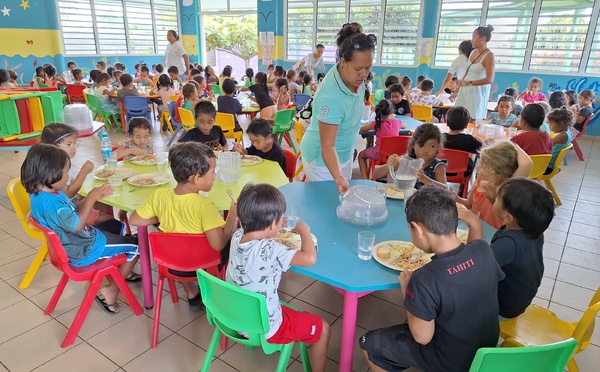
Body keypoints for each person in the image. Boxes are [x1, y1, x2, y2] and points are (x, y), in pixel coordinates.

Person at [360, 185, 504, 372]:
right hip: (486, 349)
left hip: (453, 361)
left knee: (369, 345)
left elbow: (422, 337)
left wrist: (408, 294)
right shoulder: (483, 250)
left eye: (410, 229)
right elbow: (470, 253)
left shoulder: (423, 278)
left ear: (419, 229)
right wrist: (474, 223)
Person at [23, 144, 139, 314]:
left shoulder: (44, 193)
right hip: (83, 248)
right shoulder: (53, 205)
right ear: (50, 173)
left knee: (117, 225)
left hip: (73, 243)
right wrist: (91, 199)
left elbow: (73, 210)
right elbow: (76, 225)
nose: (68, 176)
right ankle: (112, 289)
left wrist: (93, 196)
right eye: (65, 172)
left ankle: (119, 267)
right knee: (137, 245)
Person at [227, 183, 330, 372]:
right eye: (281, 218)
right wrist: (303, 230)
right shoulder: (271, 250)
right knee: (323, 328)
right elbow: (309, 258)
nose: (284, 221)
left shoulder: (237, 236)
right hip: (267, 327)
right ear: (272, 223)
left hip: (235, 317)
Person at [130, 142, 238, 311]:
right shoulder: (204, 205)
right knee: (234, 239)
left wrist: (165, 213)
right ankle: (218, 291)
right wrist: (232, 216)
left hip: (172, 266)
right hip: (203, 266)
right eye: (213, 171)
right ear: (196, 178)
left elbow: (135, 220)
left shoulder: (159, 196)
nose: (215, 175)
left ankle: (190, 291)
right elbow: (218, 244)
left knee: (176, 245)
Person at [299, 23, 375, 193]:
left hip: (344, 154)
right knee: (326, 207)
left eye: (368, 67)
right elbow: (327, 147)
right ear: (343, 62)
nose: (364, 74)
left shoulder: (354, 78)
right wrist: (338, 175)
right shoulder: (331, 98)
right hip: (322, 161)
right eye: (358, 69)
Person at [486, 178, 554, 319]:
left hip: (504, 307)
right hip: (520, 297)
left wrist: (474, 224)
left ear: (508, 217)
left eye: (498, 198)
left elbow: (476, 268)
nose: (495, 198)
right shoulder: (533, 230)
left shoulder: (508, 244)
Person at [456, 141, 530, 229]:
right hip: (475, 229)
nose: (476, 167)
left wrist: (514, 145)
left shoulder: (504, 189)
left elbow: (527, 164)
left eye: (483, 166)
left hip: (493, 234)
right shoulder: (479, 182)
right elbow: (469, 204)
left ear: (498, 175)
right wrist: (456, 198)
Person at [373, 124, 447, 189]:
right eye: (422, 145)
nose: (426, 150)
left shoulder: (438, 166)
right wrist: (388, 166)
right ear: (414, 145)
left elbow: (445, 189)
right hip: (403, 198)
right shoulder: (407, 160)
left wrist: (425, 179)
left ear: (438, 147)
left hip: (427, 203)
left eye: (432, 146)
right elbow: (376, 174)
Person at [455, 25, 496, 120]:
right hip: (465, 90)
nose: (471, 40)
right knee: (459, 116)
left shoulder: (489, 55)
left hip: (477, 92)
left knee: (472, 118)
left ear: (483, 39)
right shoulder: (473, 52)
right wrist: (460, 85)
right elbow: (467, 71)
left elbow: (490, 79)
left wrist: (469, 83)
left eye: (474, 37)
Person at [357, 99, 402, 179]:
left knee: (361, 155)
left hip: (378, 154)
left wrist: (369, 125)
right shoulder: (397, 122)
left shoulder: (376, 124)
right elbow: (404, 126)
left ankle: (365, 179)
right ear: (392, 111)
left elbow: (362, 129)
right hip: (394, 155)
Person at [444, 106, 483, 175]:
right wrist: (476, 138)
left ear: (447, 123)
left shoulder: (439, 138)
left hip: (440, 171)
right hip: (461, 173)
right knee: (473, 157)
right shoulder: (468, 140)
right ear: (466, 125)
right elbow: (484, 149)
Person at [545, 107, 574, 175]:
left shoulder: (562, 135)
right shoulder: (568, 133)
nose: (549, 127)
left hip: (548, 167)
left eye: (551, 124)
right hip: (552, 165)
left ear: (561, 124)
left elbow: (547, 145)